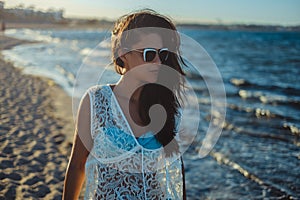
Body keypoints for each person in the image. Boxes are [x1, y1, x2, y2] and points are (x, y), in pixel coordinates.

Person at [63, 9, 187, 199]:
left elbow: (177, 173)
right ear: (123, 53)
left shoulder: (166, 105)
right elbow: (78, 165)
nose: (158, 62)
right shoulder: (96, 101)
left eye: (162, 54)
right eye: (148, 54)